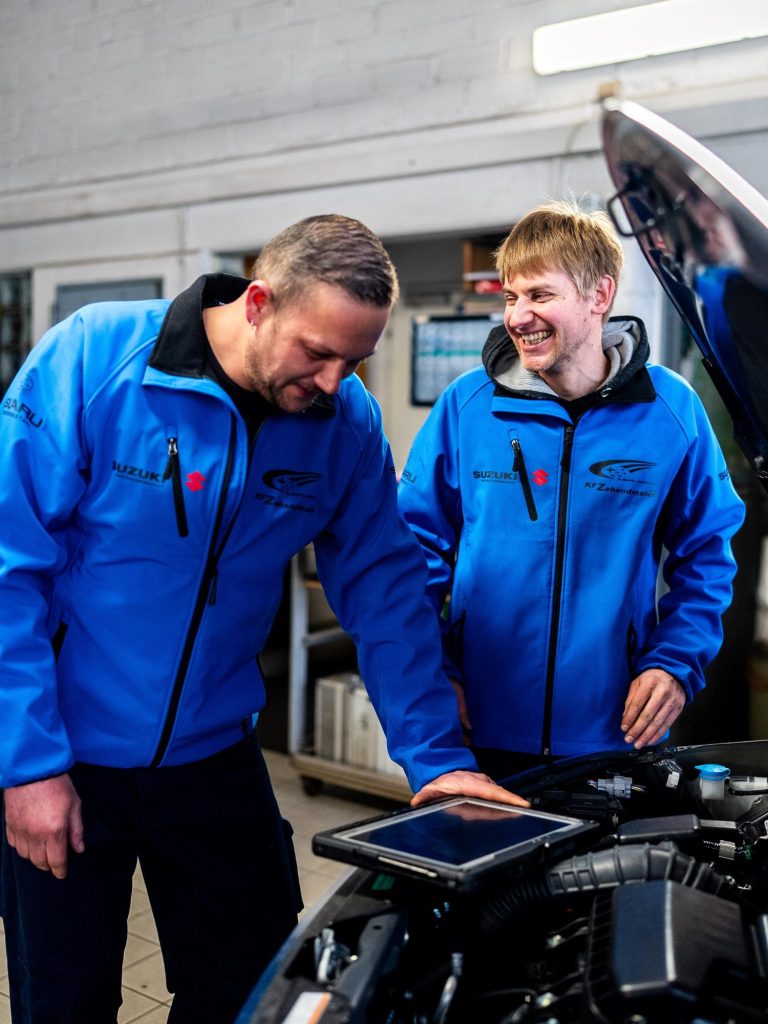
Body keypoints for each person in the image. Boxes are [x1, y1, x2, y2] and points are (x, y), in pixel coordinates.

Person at [0, 214, 527, 1024]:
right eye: (317, 352)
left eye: (355, 360)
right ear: (257, 302)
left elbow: (386, 589)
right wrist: (27, 763)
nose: (333, 381)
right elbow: (9, 566)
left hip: (214, 753)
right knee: (65, 999)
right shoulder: (96, 358)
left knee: (254, 986)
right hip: (69, 752)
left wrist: (436, 761)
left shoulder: (342, 423)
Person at [398, 199, 746, 781]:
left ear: (599, 296)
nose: (518, 316)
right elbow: (414, 553)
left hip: (612, 733)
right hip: (477, 728)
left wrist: (675, 663)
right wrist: (436, 675)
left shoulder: (670, 409)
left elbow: (708, 553)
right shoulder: (467, 405)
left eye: (539, 295)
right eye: (510, 297)